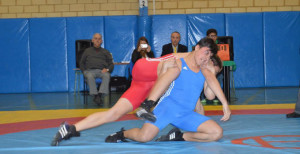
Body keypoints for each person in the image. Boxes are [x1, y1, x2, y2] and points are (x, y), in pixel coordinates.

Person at [50, 48, 222, 146]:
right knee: (171, 67)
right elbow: (169, 68)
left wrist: (198, 127)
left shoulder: (198, 75)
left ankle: (71, 129)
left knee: (114, 113)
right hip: (149, 72)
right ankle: (148, 105)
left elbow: (197, 105)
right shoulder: (190, 59)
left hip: (144, 86)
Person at [105, 38, 231, 143]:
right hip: (166, 109)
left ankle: (179, 136)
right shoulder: (178, 63)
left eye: (210, 55)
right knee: (144, 137)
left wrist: (213, 75)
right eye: (206, 52)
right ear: (197, 47)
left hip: (186, 114)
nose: (206, 58)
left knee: (216, 133)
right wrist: (149, 103)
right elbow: (162, 81)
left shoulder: (205, 70)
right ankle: (123, 133)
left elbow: (209, 95)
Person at [80, 33, 114, 106]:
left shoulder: (106, 52)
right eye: (95, 38)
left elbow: (111, 64)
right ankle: (95, 95)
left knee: (107, 75)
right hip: (89, 71)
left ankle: (99, 95)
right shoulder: (87, 51)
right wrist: (84, 71)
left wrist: (107, 69)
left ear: (101, 41)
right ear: (92, 40)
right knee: (89, 75)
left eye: (99, 39)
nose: (97, 40)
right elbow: (81, 63)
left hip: (101, 71)